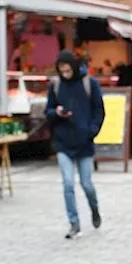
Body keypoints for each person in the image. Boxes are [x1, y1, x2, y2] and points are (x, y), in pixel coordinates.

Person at [46, 50, 105, 239]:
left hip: (84, 142)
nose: (64, 73)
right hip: (63, 141)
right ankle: (74, 223)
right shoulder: (55, 85)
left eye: (67, 69)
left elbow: (99, 110)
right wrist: (57, 112)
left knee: (86, 184)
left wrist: (92, 130)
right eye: (61, 70)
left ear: (73, 66)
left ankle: (94, 209)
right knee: (68, 184)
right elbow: (48, 110)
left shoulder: (90, 83)